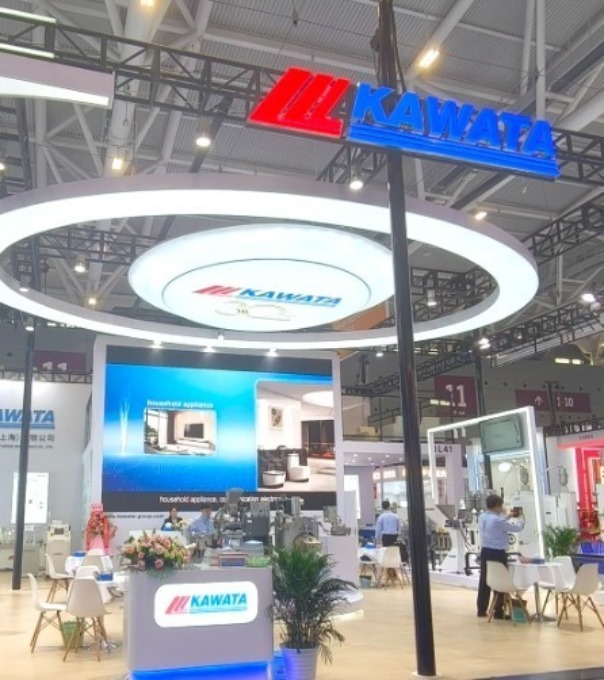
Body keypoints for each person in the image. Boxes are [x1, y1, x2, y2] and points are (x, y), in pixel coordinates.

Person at [476, 494, 525, 619]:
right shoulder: (497, 520)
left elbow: (499, 522)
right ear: (497, 505)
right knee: (500, 581)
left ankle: (481, 609)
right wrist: (521, 518)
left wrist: (509, 515)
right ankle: (498, 611)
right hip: (497, 553)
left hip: (485, 551)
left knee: (485, 580)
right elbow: (517, 528)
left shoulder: (482, 516)